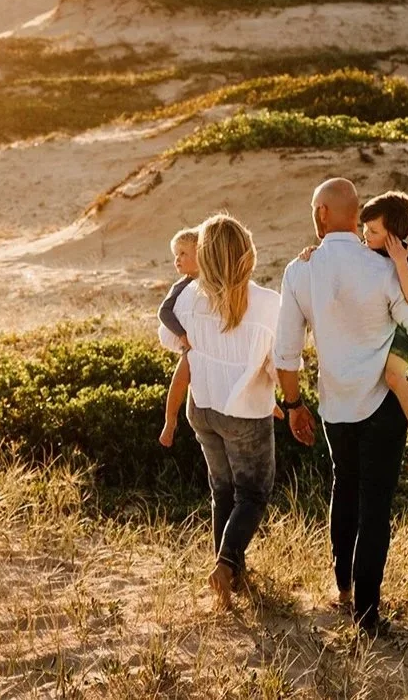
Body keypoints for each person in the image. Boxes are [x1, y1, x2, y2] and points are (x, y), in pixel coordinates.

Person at [275, 178, 408, 638]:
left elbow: (286, 352)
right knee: (375, 507)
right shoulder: (382, 269)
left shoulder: (299, 271)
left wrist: (293, 406)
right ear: (354, 217)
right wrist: (401, 359)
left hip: (335, 404)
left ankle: (342, 591)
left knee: (343, 490)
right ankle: (367, 615)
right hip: (383, 406)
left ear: (323, 213)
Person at [158, 213, 281, 610]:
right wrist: (283, 398)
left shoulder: (190, 295)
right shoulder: (266, 302)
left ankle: (231, 571)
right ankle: (226, 566)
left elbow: (169, 338)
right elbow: (275, 363)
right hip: (244, 413)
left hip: (202, 408)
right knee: (253, 493)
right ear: (247, 253)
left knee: (222, 490)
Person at [297, 191, 408, 481]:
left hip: (405, 331)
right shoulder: (366, 249)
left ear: (394, 236)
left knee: (394, 378)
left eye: (373, 231)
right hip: (382, 325)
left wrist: (399, 261)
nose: (365, 236)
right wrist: (313, 253)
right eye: (364, 229)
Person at [157, 227, 200, 447]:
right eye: (176, 255)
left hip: (208, 341)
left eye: (183, 253)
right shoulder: (181, 285)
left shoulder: (213, 280)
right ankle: (170, 420)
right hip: (189, 343)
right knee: (184, 371)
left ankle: (269, 403)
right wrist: (181, 334)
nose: (177, 259)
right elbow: (163, 312)